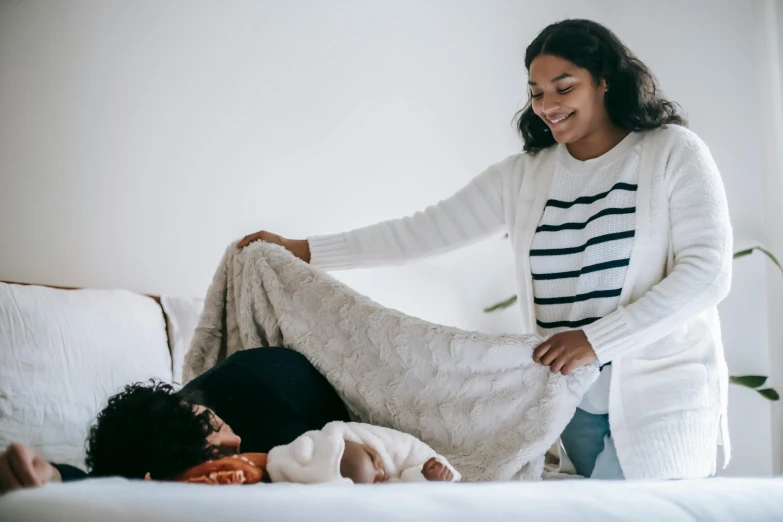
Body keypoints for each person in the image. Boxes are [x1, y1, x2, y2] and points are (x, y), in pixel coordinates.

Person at [236, 19, 732, 480]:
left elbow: (708, 273)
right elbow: (421, 232)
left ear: (604, 81)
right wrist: (304, 249)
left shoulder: (672, 151)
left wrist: (597, 340)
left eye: (564, 86)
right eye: (536, 92)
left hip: (662, 391)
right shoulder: (526, 176)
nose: (548, 104)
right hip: (572, 401)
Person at [0, 347, 351, 491]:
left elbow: (334, 458)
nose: (235, 442)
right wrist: (54, 475)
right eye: (213, 455)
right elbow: (119, 480)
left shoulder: (264, 400)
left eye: (216, 427)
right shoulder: (152, 451)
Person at [265, 421, 459, 484]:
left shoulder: (373, 438)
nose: (381, 472)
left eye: (373, 459)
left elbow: (414, 454)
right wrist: (422, 478)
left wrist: (434, 467)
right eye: (375, 480)